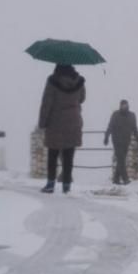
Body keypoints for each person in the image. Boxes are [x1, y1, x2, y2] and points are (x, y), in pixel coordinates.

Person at [38, 64, 86, 194]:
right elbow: (82, 99)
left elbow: (47, 103)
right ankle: (66, 186)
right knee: (68, 155)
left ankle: (50, 185)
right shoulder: (79, 81)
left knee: (53, 154)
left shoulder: (53, 80)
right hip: (73, 121)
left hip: (56, 121)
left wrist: (42, 123)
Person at [104, 100, 138, 185]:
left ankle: (116, 179)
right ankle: (125, 179)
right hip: (116, 140)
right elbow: (110, 126)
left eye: (125, 105)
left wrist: (137, 138)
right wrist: (106, 137)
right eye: (122, 105)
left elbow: (135, 128)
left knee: (121, 160)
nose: (124, 107)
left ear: (128, 106)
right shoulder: (115, 114)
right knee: (120, 159)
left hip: (126, 141)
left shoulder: (132, 116)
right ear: (120, 106)